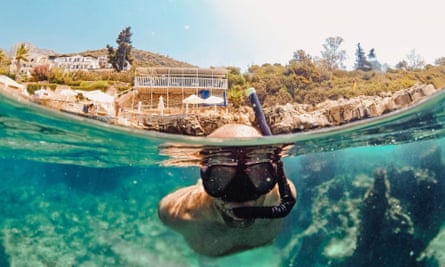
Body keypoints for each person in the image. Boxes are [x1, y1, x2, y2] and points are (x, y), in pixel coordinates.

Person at [158, 123, 297, 257]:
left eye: (257, 174)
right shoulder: (178, 214)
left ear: (274, 174)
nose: (240, 194)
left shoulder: (283, 197)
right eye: (221, 177)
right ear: (205, 177)